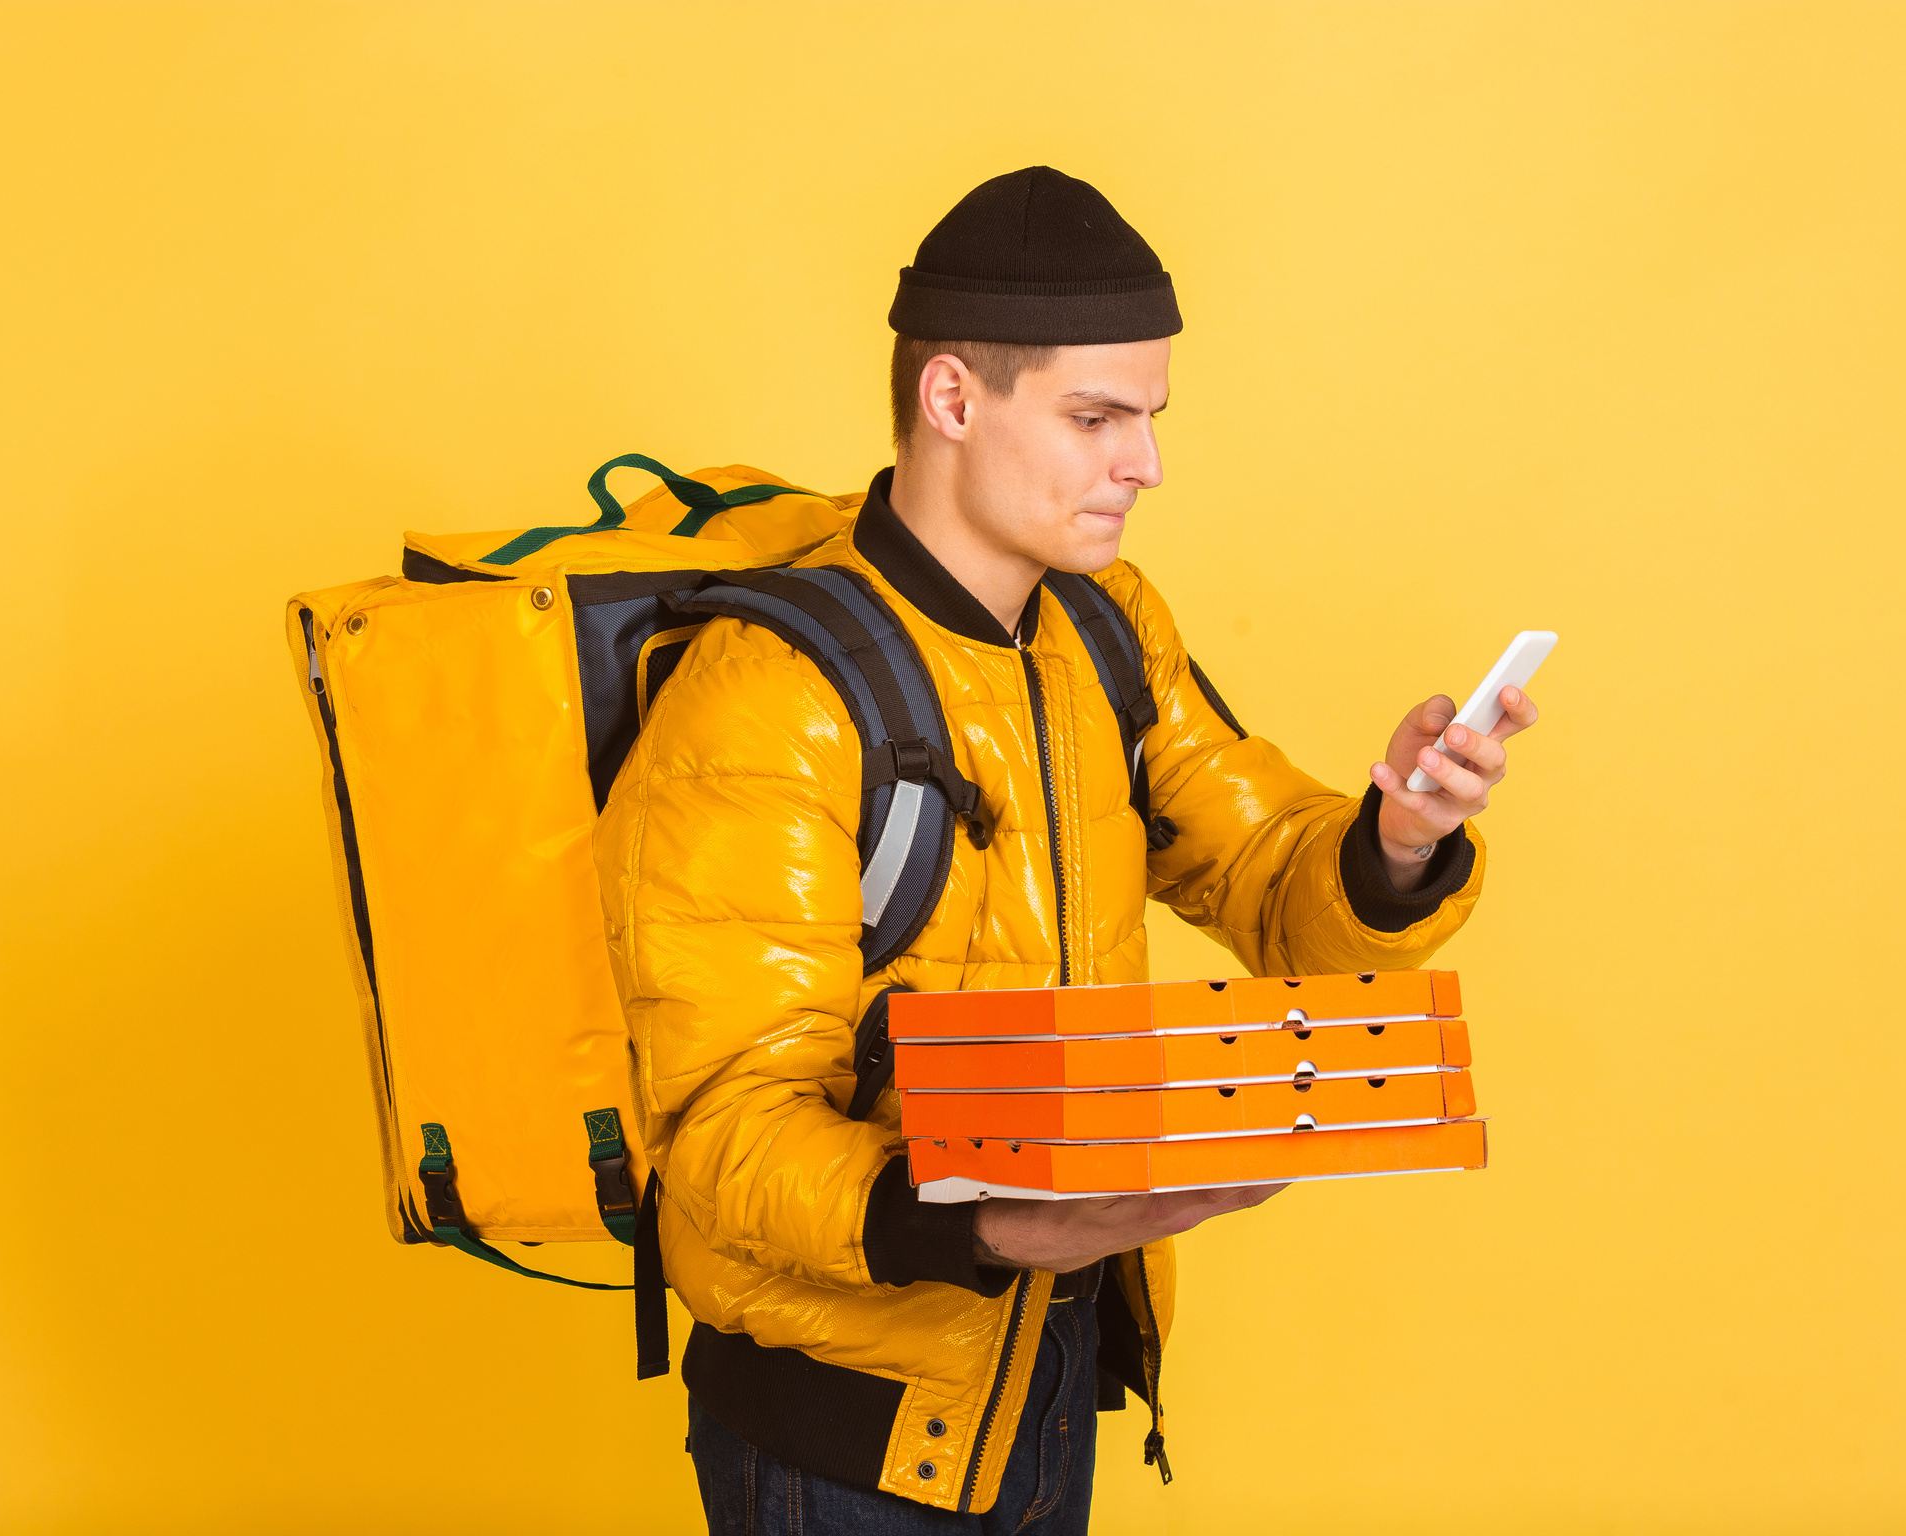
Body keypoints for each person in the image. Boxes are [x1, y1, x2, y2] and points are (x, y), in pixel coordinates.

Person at [594, 166, 1538, 1535]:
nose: (1143, 464)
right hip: (845, 1435)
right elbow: (720, 1130)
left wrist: (1399, 839)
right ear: (953, 399)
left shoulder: (1103, 626)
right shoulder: (769, 697)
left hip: (1044, 1383)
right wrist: (982, 1226)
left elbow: (1272, 880)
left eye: (1150, 418)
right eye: (1097, 417)